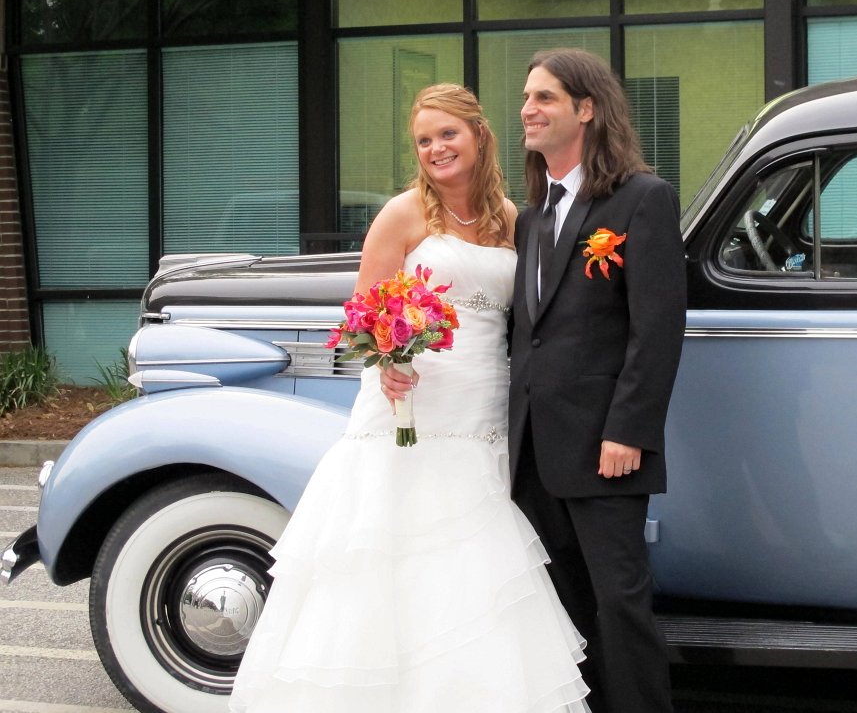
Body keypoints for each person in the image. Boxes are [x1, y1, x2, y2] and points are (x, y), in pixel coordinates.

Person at [229, 83, 591, 713]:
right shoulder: (403, 214)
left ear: (479, 134)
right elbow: (363, 315)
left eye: (448, 134)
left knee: (471, 563)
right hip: (410, 405)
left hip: (483, 408)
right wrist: (386, 365)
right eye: (424, 140)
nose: (436, 149)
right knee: (393, 555)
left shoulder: (513, 218)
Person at [509, 49, 686, 713]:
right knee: (564, 611)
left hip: (605, 448)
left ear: (586, 108)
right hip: (533, 451)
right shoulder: (530, 217)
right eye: (527, 97)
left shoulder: (643, 199)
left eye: (544, 97)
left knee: (619, 604)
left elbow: (657, 329)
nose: (527, 110)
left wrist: (628, 430)